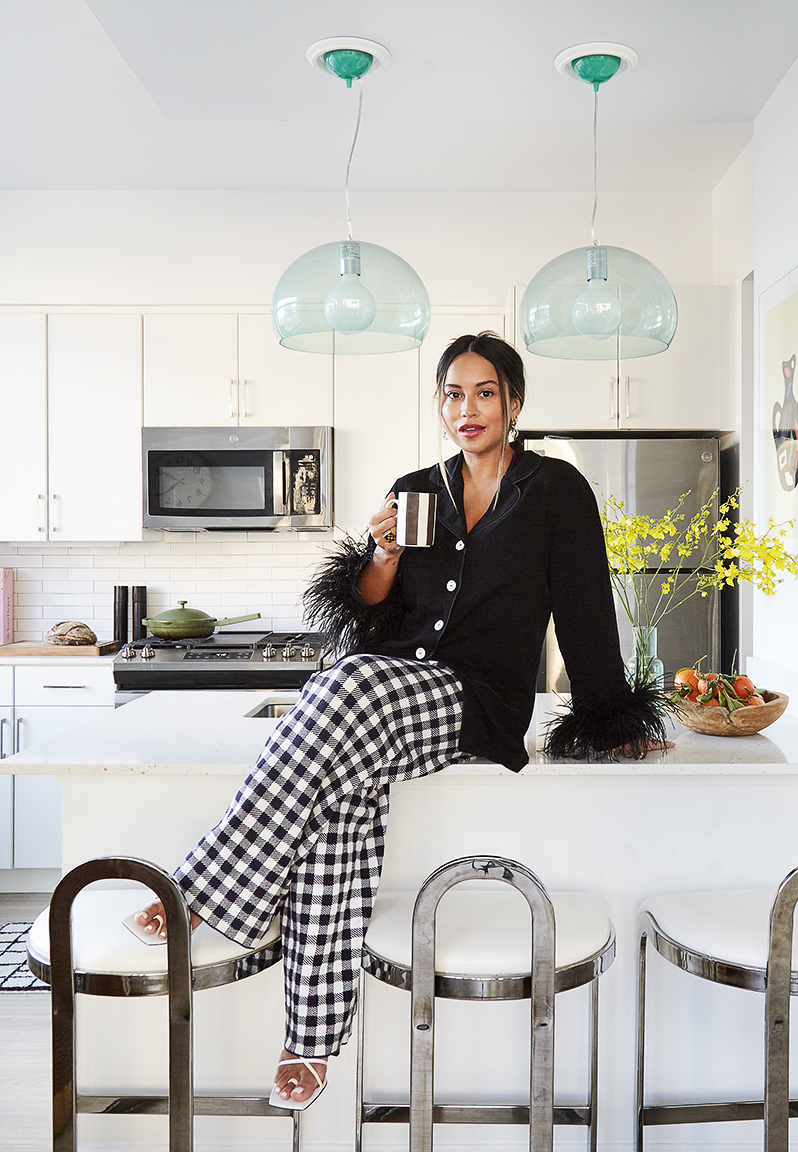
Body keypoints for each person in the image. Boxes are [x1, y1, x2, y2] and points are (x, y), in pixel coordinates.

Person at [129, 332, 668, 1108]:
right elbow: (375, 613)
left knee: (341, 686)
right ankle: (309, 1037)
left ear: (514, 403)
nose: (467, 408)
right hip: (386, 689)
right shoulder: (416, 486)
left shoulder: (555, 490)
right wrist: (378, 559)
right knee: (341, 795)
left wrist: (611, 719)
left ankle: (204, 891)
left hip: (474, 699)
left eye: (485, 392)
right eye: (452, 393)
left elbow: (584, 611)